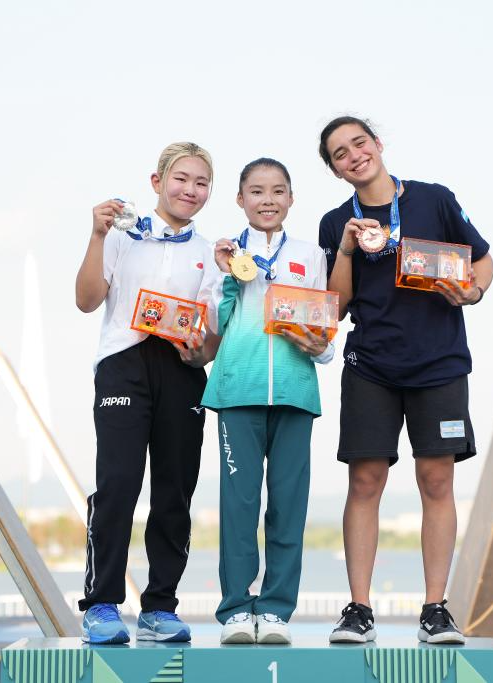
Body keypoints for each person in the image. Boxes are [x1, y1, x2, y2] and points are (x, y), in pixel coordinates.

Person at [317, 116, 493, 645]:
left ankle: (436, 609)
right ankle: (359, 609)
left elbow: (482, 261)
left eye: (359, 143)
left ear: (377, 144)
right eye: (340, 154)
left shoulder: (434, 199)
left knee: (436, 481)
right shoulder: (335, 222)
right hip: (370, 365)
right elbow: (336, 306)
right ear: (335, 170)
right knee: (365, 482)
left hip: (439, 363)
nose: (354, 155)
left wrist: (473, 292)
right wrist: (347, 249)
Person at [74, 142, 221, 644]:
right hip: (123, 364)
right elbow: (86, 301)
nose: (190, 190)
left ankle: (160, 608)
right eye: (181, 178)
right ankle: (101, 604)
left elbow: (209, 342)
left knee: (175, 489)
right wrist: (97, 234)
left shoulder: (210, 254)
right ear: (157, 182)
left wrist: (199, 352)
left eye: (201, 183)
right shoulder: (120, 234)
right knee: (118, 482)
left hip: (181, 370)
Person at [201, 158, 334, 645]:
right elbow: (213, 323)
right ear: (240, 199)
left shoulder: (311, 255)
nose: (268, 200)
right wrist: (228, 276)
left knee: (289, 506)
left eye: (278, 191)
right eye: (256, 191)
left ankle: (276, 610)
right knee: (239, 505)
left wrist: (321, 347)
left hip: (296, 392)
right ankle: (236, 610)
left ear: (291, 199)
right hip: (239, 390)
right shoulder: (224, 254)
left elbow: (322, 331)